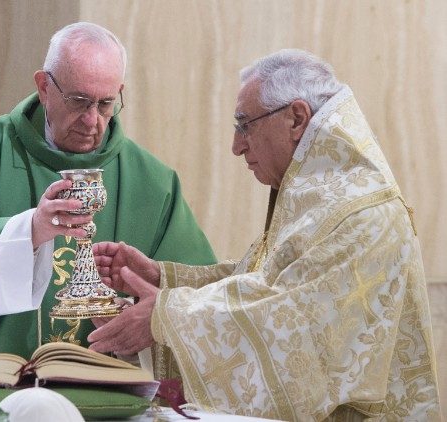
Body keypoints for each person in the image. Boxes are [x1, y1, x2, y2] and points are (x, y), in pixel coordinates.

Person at [88, 49, 440, 420]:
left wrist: (164, 317)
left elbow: (292, 328)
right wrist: (162, 279)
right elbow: (264, 282)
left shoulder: (360, 212)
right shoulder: (320, 197)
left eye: (245, 124)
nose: (237, 146)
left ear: (296, 118)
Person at [0, 22, 216, 363]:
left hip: (109, 394)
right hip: (2, 390)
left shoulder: (153, 180)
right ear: (44, 86)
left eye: (105, 104)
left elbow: (195, 296)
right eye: (79, 101)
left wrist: (145, 306)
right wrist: (31, 230)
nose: (92, 120)